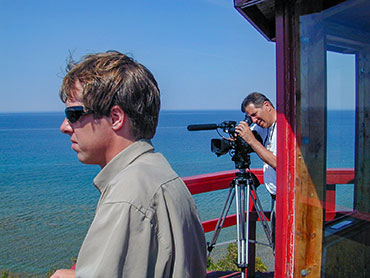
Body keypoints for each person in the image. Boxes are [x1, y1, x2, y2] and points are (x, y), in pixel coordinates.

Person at [51, 51, 207, 278]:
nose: (65, 126)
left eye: (74, 114)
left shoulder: (126, 197)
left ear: (116, 117)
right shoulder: (160, 174)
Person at [235, 92, 277, 247]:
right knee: (277, 242)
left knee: (281, 244)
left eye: (255, 114)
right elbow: (250, 138)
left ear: (267, 105)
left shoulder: (283, 129)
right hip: (275, 197)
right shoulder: (263, 126)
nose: (254, 120)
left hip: (287, 199)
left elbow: (278, 163)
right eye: (250, 117)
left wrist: (251, 140)